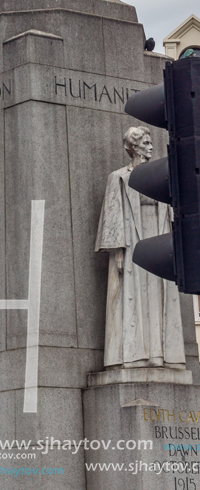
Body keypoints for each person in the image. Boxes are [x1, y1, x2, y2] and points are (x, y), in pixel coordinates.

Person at [95, 127, 185, 368]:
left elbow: (173, 210)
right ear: (133, 147)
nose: (151, 147)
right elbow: (113, 217)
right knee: (135, 297)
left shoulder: (161, 177)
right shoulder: (119, 177)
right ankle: (135, 355)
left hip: (158, 238)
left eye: (150, 142)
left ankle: (160, 355)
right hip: (133, 243)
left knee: (158, 295)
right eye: (146, 142)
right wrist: (117, 252)